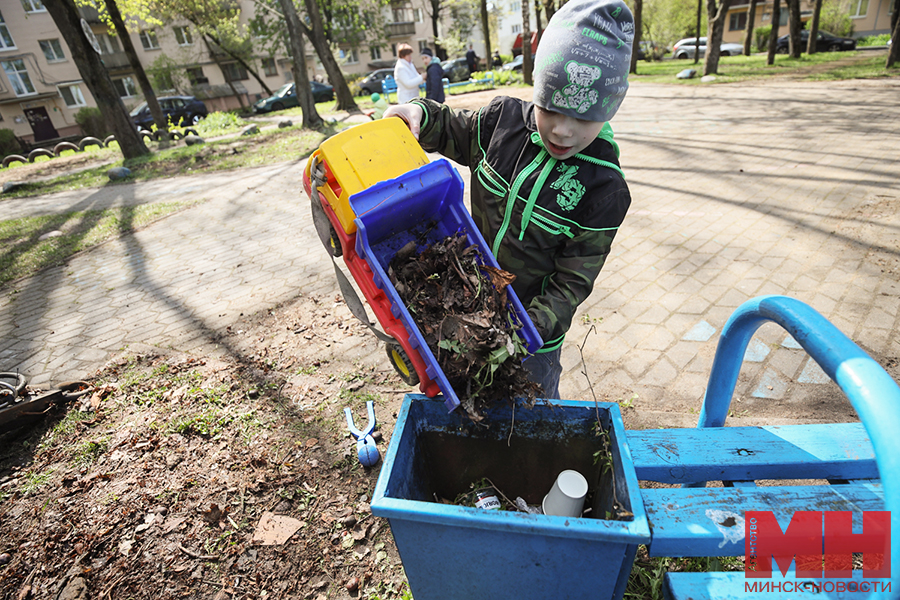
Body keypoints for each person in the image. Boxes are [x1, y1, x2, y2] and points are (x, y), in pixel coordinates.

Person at [384, 0, 633, 399]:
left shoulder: (605, 188)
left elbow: (571, 282)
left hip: (532, 341)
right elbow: (452, 128)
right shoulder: (502, 121)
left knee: (528, 411)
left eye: (583, 118)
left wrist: (519, 335)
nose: (563, 131)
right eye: (551, 108)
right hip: (466, 300)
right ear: (538, 89)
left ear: (609, 110)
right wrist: (419, 115)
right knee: (464, 402)